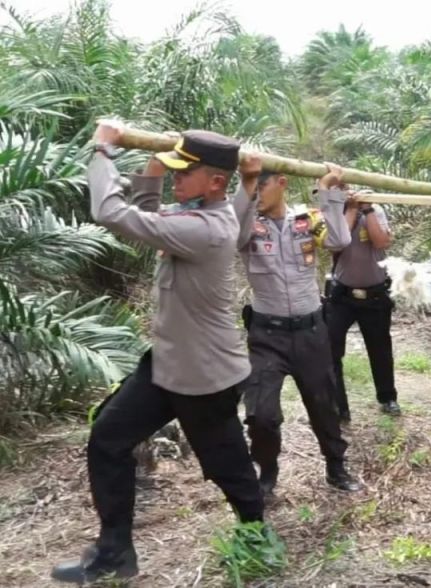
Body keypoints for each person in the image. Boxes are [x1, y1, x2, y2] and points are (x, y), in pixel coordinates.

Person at [52, 124, 264, 584]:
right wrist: (156, 161)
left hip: (206, 376)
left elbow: (110, 211)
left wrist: (103, 149)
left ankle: (256, 538)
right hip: (168, 364)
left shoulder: (205, 228)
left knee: (227, 467)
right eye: (174, 172)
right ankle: (114, 553)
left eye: (184, 174)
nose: (176, 181)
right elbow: (152, 211)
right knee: (108, 438)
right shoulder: (194, 213)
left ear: (215, 183)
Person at [235, 156, 361, 498]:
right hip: (266, 336)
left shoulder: (309, 220)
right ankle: (267, 470)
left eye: (263, 185)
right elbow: (234, 232)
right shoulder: (249, 226)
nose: (258, 192)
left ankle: (336, 467)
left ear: (282, 183)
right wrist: (245, 187)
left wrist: (328, 193)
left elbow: (339, 241)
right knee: (260, 413)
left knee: (324, 406)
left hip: (310, 332)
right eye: (253, 186)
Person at [324, 193, 399, 422]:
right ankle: (339, 406)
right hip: (341, 296)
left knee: (380, 349)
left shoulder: (375, 211)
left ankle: (387, 398)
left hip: (374, 295)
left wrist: (367, 210)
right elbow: (339, 241)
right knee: (330, 350)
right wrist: (351, 209)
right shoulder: (335, 214)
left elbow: (382, 242)